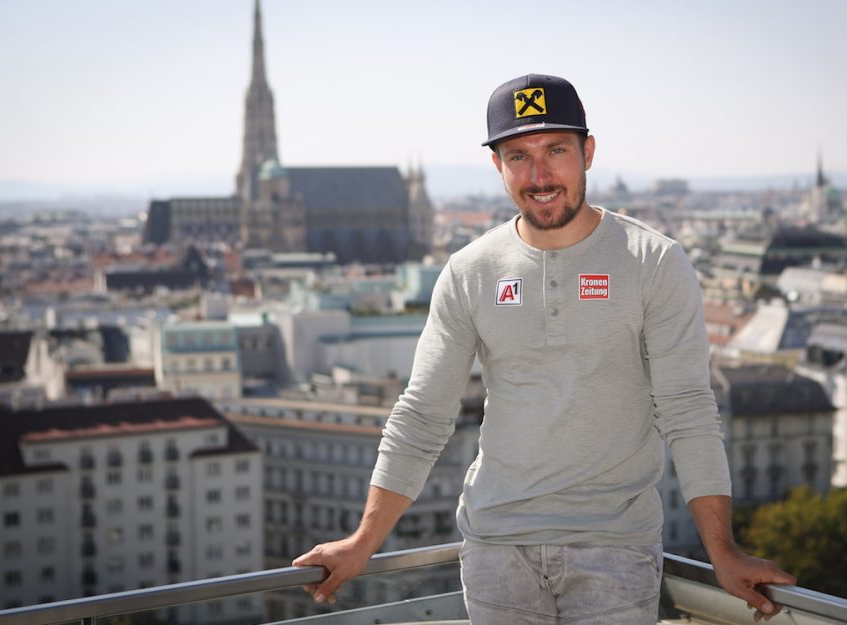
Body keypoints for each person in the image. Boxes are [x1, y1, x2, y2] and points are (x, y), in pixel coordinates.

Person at [293, 73, 795, 624]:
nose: (539, 175)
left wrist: (721, 552)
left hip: (615, 546)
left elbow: (688, 411)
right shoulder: (470, 272)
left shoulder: (652, 261)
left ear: (589, 152)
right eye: (518, 155)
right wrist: (364, 541)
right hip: (494, 548)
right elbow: (422, 415)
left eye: (556, 150)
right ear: (498, 167)